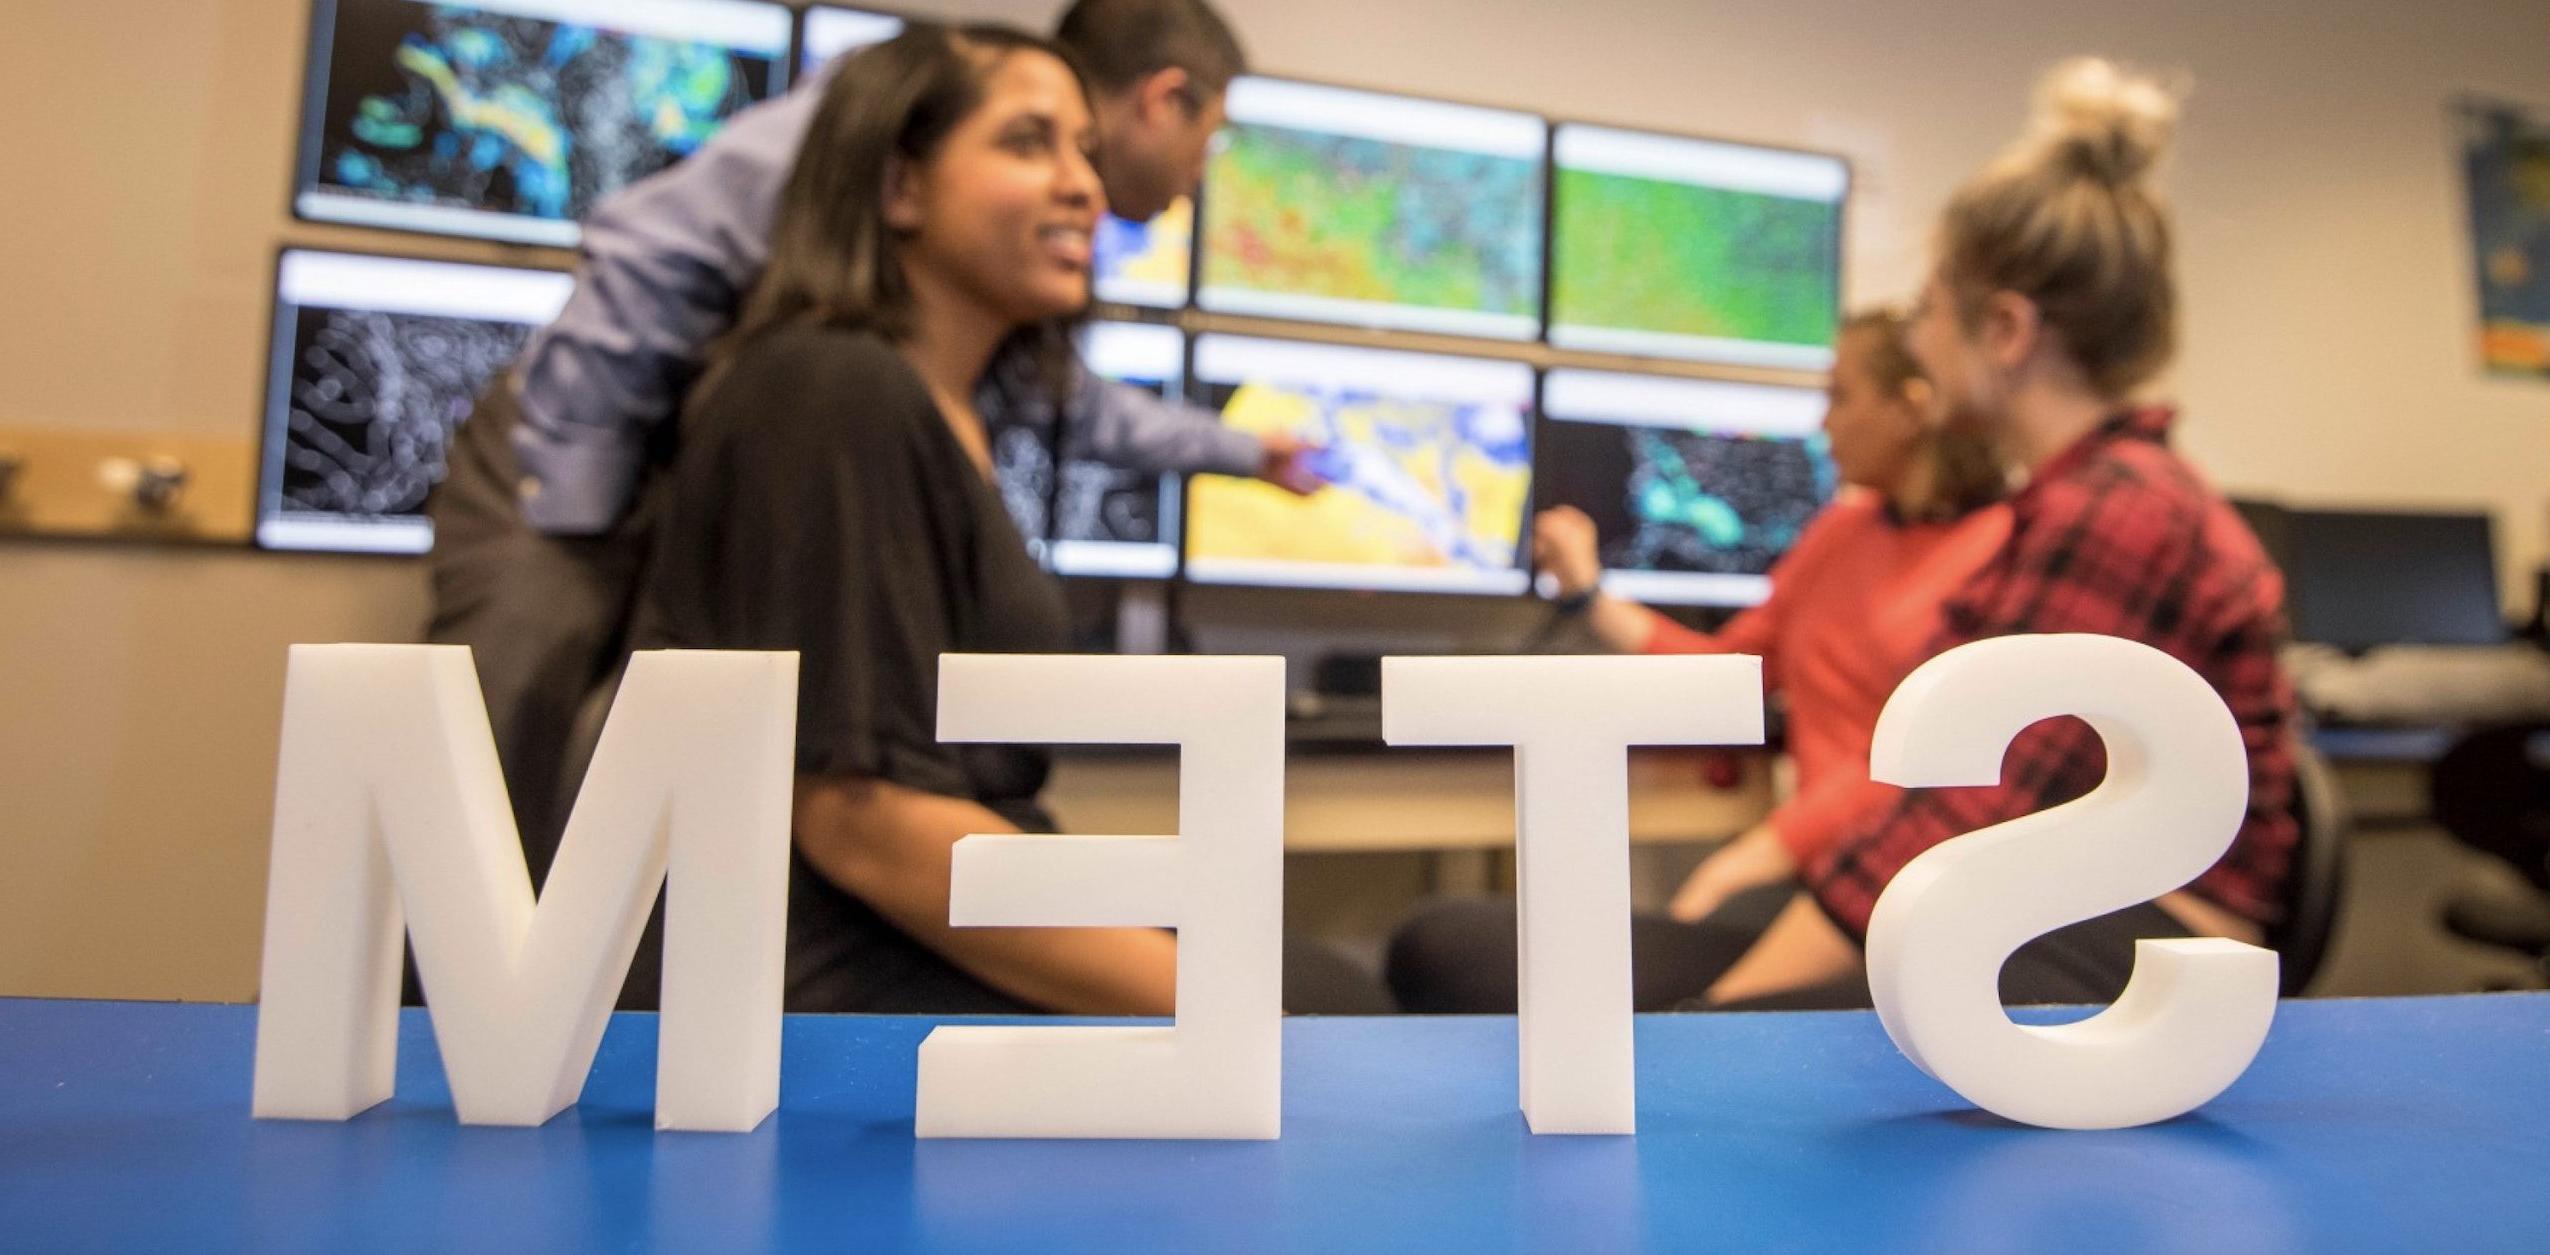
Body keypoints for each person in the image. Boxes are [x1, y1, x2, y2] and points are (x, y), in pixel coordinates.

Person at [426, 0, 1312, 878]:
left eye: (1077, 150)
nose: (1200, 175)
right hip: (572, 437)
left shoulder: (984, 277)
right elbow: (649, 263)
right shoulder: (880, 134)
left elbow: (1064, 399)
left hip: (711, 453)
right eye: (1215, 137)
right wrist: (585, 510)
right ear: (1164, 100)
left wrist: (1246, 453)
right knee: (507, 783)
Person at [630, 22, 1378, 1014]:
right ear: (899, 186)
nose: (1085, 186)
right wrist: (1237, 1010)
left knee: (1327, 982)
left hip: (931, 922)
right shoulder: (831, 389)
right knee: (1330, 1009)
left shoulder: (953, 405)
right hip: (851, 975)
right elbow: (863, 823)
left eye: (1083, 148)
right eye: (1029, 143)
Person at [1695, 57, 2299, 1011]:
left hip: (2134, 945)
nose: (1921, 339)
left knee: (1721, 1031)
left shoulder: (2118, 513)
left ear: (2007, 331)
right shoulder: (2077, 500)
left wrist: (1711, 1021)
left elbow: (1967, 812)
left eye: (1933, 307)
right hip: (2054, 902)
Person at [1386, 311, 2013, 1012]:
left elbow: (1942, 765)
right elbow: (1727, 672)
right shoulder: (1841, 534)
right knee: (1447, 943)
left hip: (1891, 893)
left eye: (1841, 396)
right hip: (1806, 876)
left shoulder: (2001, 553)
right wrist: (1591, 592)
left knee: (1464, 950)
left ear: (1909, 410)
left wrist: (1768, 844)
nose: (1823, 422)